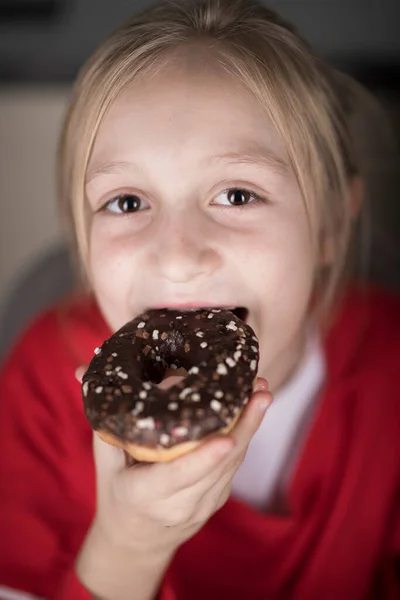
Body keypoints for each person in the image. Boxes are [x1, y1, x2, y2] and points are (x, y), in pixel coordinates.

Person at [0, 0, 399, 599]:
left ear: (330, 229)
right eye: (128, 202)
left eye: (238, 195)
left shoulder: (390, 380)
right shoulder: (42, 387)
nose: (179, 256)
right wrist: (126, 548)